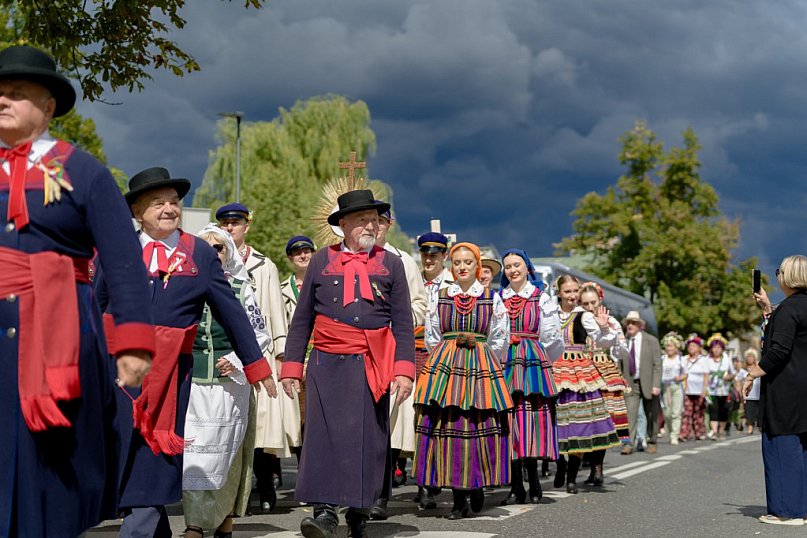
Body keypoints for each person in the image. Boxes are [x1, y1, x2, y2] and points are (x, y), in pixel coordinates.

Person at [0, 44, 154, 537]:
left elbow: (124, 261)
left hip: (60, 339)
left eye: (17, 93)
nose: (3, 101)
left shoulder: (80, 170)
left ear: (47, 108)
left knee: (56, 460)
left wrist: (132, 343)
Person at [95, 167, 277, 536]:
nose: (168, 208)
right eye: (157, 203)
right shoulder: (118, 248)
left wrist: (256, 366)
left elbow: (231, 312)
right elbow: (94, 304)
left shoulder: (199, 253)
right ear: (136, 212)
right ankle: (150, 526)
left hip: (169, 378)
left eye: (174, 202)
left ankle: (140, 530)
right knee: (122, 455)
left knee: (152, 458)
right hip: (119, 372)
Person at [280, 190, 415, 538]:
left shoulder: (391, 263)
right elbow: (302, 318)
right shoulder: (322, 260)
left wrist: (403, 370)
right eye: (361, 219)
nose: (370, 225)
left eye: (374, 218)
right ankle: (323, 513)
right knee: (322, 439)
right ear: (343, 225)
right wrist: (292, 366)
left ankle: (359, 512)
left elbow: (402, 322)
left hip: (372, 365)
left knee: (367, 440)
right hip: (326, 364)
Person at [182, 224, 271, 538]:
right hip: (193, 383)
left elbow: (261, 337)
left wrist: (236, 360)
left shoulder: (242, 289)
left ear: (228, 252)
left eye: (217, 247)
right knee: (194, 454)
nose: (211, 253)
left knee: (226, 455)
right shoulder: (185, 285)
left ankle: (224, 522)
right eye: (204, 247)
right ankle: (194, 523)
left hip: (230, 385)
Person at [414, 242, 513, 518]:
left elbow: (499, 338)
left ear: (477, 265)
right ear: (451, 265)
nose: (462, 267)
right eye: (457, 262)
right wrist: (445, 359)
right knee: (450, 428)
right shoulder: (441, 296)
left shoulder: (491, 298)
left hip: (480, 363)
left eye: (468, 262)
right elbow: (433, 336)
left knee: (478, 425)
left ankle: (476, 483)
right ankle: (459, 497)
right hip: (447, 364)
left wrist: (486, 361)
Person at [217, 202, 298, 512]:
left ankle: (264, 488)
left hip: (258, 353)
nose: (229, 227)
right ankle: (234, 491)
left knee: (261, 426)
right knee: (230, 425)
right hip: (225, 353)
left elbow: (277, 313)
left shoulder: (264, 266)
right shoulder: (214, 262)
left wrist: (280, 353)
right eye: (224, 222)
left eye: (235, 222)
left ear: (246, 226)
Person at [371, 205, 427, 520]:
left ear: (389, 224)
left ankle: (380, 494)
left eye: (381, 221)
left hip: (390, 350)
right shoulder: (347, 258)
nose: (375, 226)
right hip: (356, 351)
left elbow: (420, 304)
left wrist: (396, 317)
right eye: (370, 220)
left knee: (388, 423)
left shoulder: (403, 261)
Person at [745, 255, 807, 526]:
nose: (778, 275)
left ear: (788, 276)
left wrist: (753, 372)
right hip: (803, 388)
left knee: (782, 446)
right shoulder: (796, 308)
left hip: (786, 389)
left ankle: (786, 510)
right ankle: (801, 507)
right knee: (802, 448)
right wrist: (769, 310)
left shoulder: (789, 310)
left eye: (780, 271)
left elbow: (779, 350)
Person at [498, 249, 562, 504]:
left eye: (517, 265)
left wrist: (543, 362)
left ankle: (533, 481)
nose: (513, 270)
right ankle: (516, 485)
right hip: (505, 360)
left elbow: (553, 338)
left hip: (532, 361)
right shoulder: (498, 298)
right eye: (508, 266)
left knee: (530, 422)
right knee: (508, 420)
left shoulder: (541, 298)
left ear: (527, 268)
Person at [552, 274, 620, 493]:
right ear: (559, 292)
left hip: (578, 371)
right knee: (554, 421)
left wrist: (604, 327)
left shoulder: (583, 315)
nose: (572, 296)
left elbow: (604, 340)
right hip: (554, 369)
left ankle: (571, 477)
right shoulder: (550, 312)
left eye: (575, 291)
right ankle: (559, 464)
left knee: (578, 424)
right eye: (568, 292)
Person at [413, 231, 453, 508]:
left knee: (439, 417)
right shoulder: (412, 281)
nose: (429, 258)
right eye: (425, 253)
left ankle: (438, 475)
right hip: (414, 352)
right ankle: (423, 482)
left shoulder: (453, 284)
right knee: (417, 420)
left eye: (435, 253)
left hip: (441, 355)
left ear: (444, 256)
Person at [578, 283, 631, 465]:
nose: (590, 307)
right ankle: (587, 458)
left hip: (604, 372)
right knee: (586, 418)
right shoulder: (579, 320)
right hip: (583, 371)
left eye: (593, 302)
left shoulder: (612, 322)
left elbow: (623, 353)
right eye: (585, 304)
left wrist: (611, 333)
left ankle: (597, 466)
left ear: (600, 301)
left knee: (604, 419)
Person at [280, 235, 316, 436]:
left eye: (306, 251)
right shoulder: (282, 289)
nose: (302, 256)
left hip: (320, 356)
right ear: (290, 258)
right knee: (298, 419)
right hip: (295, 358)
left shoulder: (325, 284)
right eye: (297, 253)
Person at [619, 311, 662, 455]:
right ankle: (628, 444)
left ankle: (651, 441)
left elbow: (657, 365)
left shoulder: (651, 340)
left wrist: (656, 384)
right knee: (629, 415)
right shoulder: (622, 341)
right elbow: (618, 365)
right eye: (628, 323)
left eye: (633, 323)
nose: (630, 325)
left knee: (651, 414)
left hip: (649, 383)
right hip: (631, 384)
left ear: (640, 325)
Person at [705, 333, 736, 440]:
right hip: (711, 389)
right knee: (713, 409)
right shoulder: (707, 359)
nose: (716, 350)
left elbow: (733, 373)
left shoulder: (726, 358)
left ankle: (721, 430)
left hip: (724, 389)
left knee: (723, 410)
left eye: (718, 347)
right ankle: (714, 431)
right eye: (714, 347)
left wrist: (729, 377)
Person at [679, 334, 709, 442]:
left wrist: (704, 390)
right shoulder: (683, 359)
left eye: (694, 346)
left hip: (699, 390)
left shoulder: (703, 360)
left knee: (698, 413)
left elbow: (706, 375)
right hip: (687, 390)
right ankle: (684, 433)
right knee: (686, 413)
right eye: (690, 346)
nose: (691, 348)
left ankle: (699, 432)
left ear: (699, 348)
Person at [660, 332, 686, 445]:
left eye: (671, 346)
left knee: (676, 412)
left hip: (677, 386)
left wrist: (680, 377)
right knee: (667, 413)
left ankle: (674, 435)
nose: (669, 348)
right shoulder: (662, 358)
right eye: (667, 346)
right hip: (665, 387)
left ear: (676, 347)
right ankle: (671, 431)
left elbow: (686, 374)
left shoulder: (681, 359)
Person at [737, 348, 761, 434]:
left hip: (758, 394)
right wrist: (740, 392)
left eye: (752, 357)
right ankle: (750, 427)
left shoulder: (759, 369)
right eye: (748, 357)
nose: (750, 359)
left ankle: (759, 426)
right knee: (749, 413)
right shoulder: (743, 370)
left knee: (758, 412)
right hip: (748, 395)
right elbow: (738, 382)